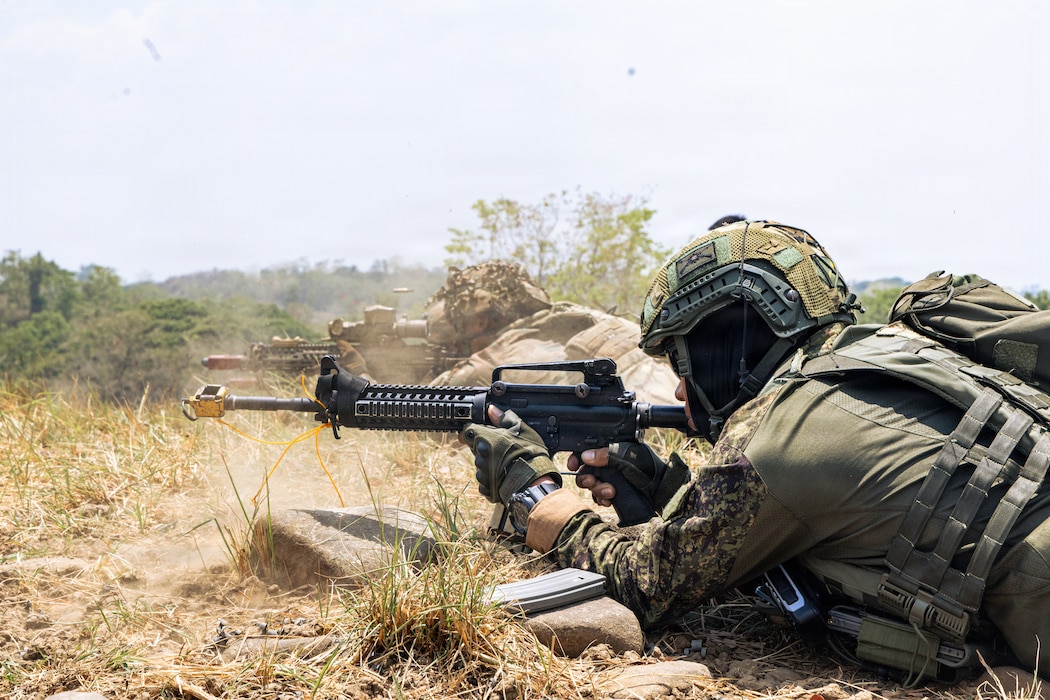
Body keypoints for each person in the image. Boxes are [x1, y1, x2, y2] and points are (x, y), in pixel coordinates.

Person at [460, 218, 1050, 682]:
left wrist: (541, 501)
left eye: (686, 360)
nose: (681, 388)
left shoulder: (778, 433)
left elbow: (646, 584)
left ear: (733, 337)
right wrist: (675, 496)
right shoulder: (893, 350)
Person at [425, 260, 680, 405]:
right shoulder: (572, 317)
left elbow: (423, 404)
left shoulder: (501, 354)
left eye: (461, 328)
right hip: (685, 409)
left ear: (481, 322)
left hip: (653, 423)